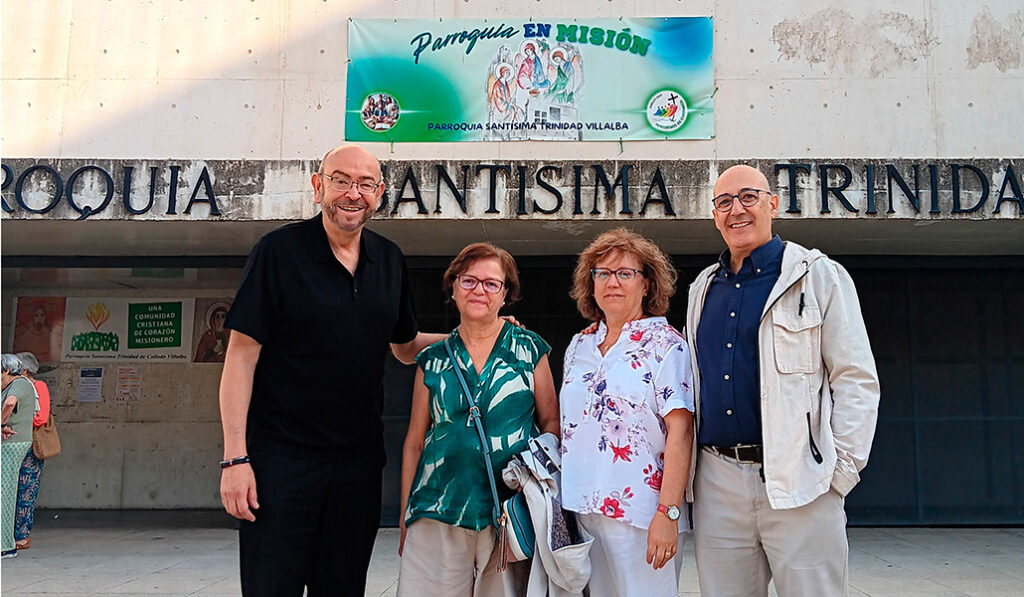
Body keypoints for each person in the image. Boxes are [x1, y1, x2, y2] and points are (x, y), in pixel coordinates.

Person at [218, 144, 445, 596]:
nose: (353, 193)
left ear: (380, 194)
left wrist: (481, 336)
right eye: (341, 180)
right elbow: (240, 356)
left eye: (365, 183)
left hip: (357, 467)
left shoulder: (390, 260)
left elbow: (404, 349)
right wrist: (235, 458)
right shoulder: (278, 253)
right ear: (319, 186)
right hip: (280, 463)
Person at [685, 164, 880, 596]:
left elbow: (856, 379)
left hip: (801, 481)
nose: (736, 210)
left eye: (748, 197)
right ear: (715, 216)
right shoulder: (702, 289)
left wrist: (840, 473)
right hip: (718, 484)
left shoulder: (817, 276)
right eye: (724, 202)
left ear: (772, 204)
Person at [397, 242, 559, 596]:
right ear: (453, 287)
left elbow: (552, 426)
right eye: (469, 281)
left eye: (491, 284)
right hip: (436, 507)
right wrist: (405, 511)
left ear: (506, 295)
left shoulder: (530, 349)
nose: (479, 290)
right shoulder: (434, 359)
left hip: (508, 512)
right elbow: (413, 441)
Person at [559, 229, 695, 597]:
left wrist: (667, 514)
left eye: (624, 273)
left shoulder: (667, 346)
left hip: (641, 516)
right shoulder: (579, 345)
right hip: (579, 512)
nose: (612, 282)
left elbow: (681, 433)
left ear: (647, 284)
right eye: (602, 273)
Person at [14, 352, 50, 550]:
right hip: (14, 441)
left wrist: (18, 422)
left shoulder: (38, 387)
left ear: (25, 370)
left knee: (26, 490)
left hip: (29, 444)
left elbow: (41, 417)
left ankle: (22, 534)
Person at [1, 354, 36, 559]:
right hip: (11, 441)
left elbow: (9, 404)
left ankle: (6, 545)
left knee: (4, 494)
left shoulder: (19, 384)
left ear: (7, 370)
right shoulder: (16, 385)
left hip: (13, 444)